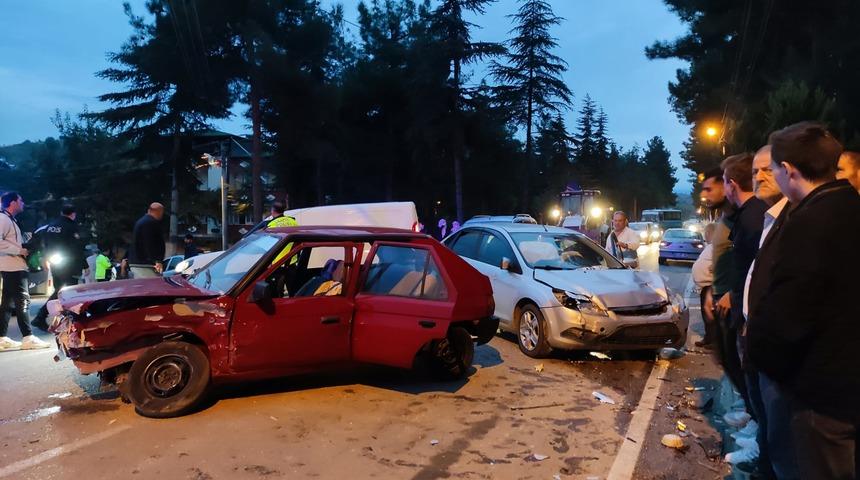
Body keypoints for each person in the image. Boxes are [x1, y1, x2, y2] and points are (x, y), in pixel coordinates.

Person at [749, 122, 860, 480]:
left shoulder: (809, 222)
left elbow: (789, 314)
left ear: (789, 171)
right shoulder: (849, 207)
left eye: (774, 169)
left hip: (816, 395)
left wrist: (761, 355)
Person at [742, 145, 798, 479]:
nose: (759, 177)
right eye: (754, 171)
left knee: (785, 444)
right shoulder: (770, 217)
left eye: (767, 169)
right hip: (759, 337)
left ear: (786, 170)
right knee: (770, 428)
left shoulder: (793, 218)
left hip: (778, 347)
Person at [0, 192, 50, 350]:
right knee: (23, 300)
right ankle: (28, 337)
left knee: (7, 304)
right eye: (20, 200)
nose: (23, 203)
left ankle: (2, 338)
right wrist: (19, 250)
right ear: (13, 202)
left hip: (11, 265)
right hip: (12, 265)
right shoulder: (3, 218)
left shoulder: (9, 219)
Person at [31, 204, 89, 331]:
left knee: (59, 291)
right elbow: (77, 248)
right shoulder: (72, 227)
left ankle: (43, 317)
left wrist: (45, 258)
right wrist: (85, 265)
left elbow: (45, 244)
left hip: (56, 263)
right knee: (70, 291)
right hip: (70, 264)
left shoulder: (51, 226)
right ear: (73, 214)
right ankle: (75, 319)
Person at [691, 222, 717, 348]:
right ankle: (709, 338)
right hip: (706, 285)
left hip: (712, 286)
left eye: (706, 233)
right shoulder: (711, 246)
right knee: (706, 313)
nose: (705, 235)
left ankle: (713, 340)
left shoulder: (718, 247)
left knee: (710, 313)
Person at [129, 202, 166, 277]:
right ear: (159, 212)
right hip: (145, 264)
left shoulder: (141, 222)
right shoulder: (150, 223)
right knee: (152, 286)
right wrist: (157, 260)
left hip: (139, 262)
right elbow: (150, 243)